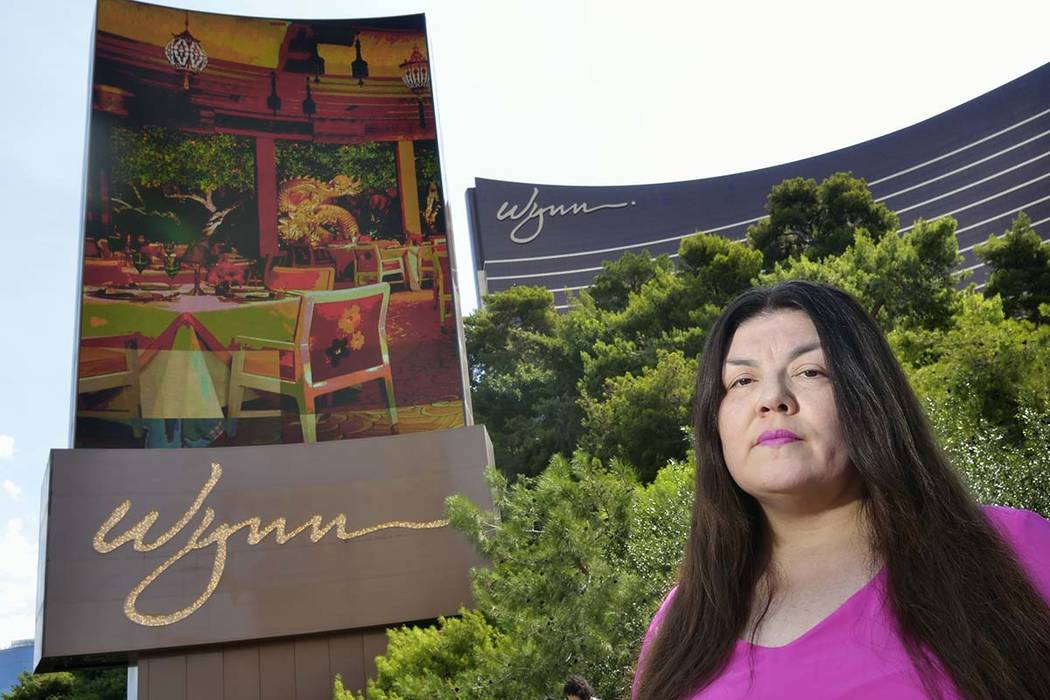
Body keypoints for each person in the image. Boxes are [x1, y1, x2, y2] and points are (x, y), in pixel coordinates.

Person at [632, 280, 1050, 699]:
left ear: (868, 398)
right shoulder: (681, 623)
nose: (773, 398)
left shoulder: (1014, 549)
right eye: (742, 381)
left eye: (810, 372)